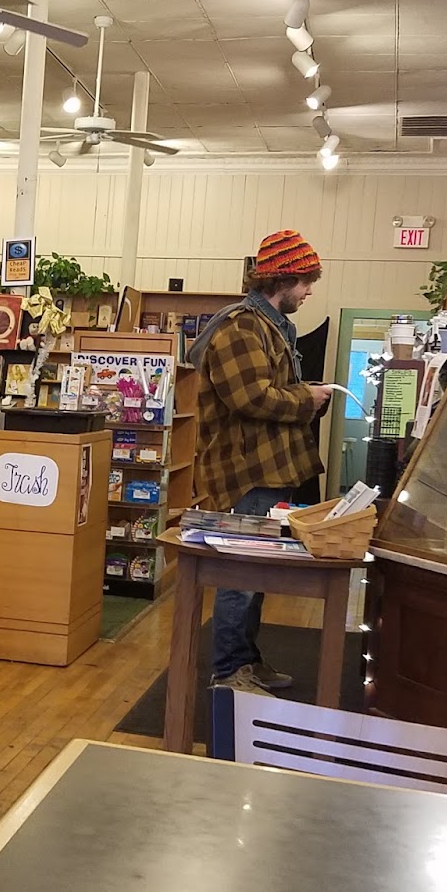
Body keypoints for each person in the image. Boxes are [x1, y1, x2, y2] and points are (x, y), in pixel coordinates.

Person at [194, 229, 339, 691]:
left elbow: (264, 389)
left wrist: (306, 394)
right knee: (240, 575)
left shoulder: (268, 326)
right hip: (247, 474)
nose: (309, 291)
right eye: (306, 281)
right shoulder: (241, 327)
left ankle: (245, 661)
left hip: (266, 470)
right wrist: (306, 399)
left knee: (253, 575)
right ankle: (227, 673)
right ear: (283, 279)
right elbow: (250, 397)